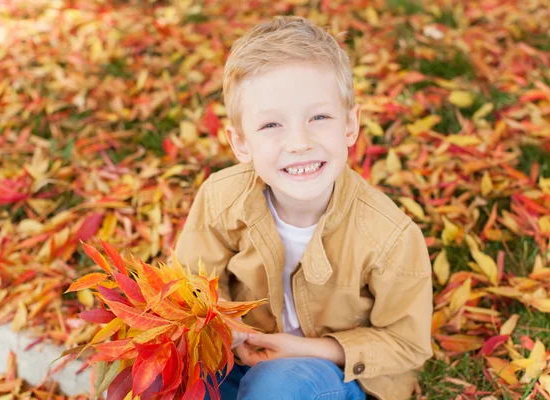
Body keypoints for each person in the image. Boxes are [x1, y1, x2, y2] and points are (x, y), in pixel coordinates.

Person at [174, 15, 433, 400]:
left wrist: (304, 350)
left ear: (350, 125)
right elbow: (191, 287)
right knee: (165, 373)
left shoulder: (390, 235)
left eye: (319, 117)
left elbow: (406, 343)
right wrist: (230, 331)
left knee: (276, 388)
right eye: (271, 125)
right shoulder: (220, 198)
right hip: (236, 357)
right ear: (241, 143)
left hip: (326, 375)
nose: (298, 142)